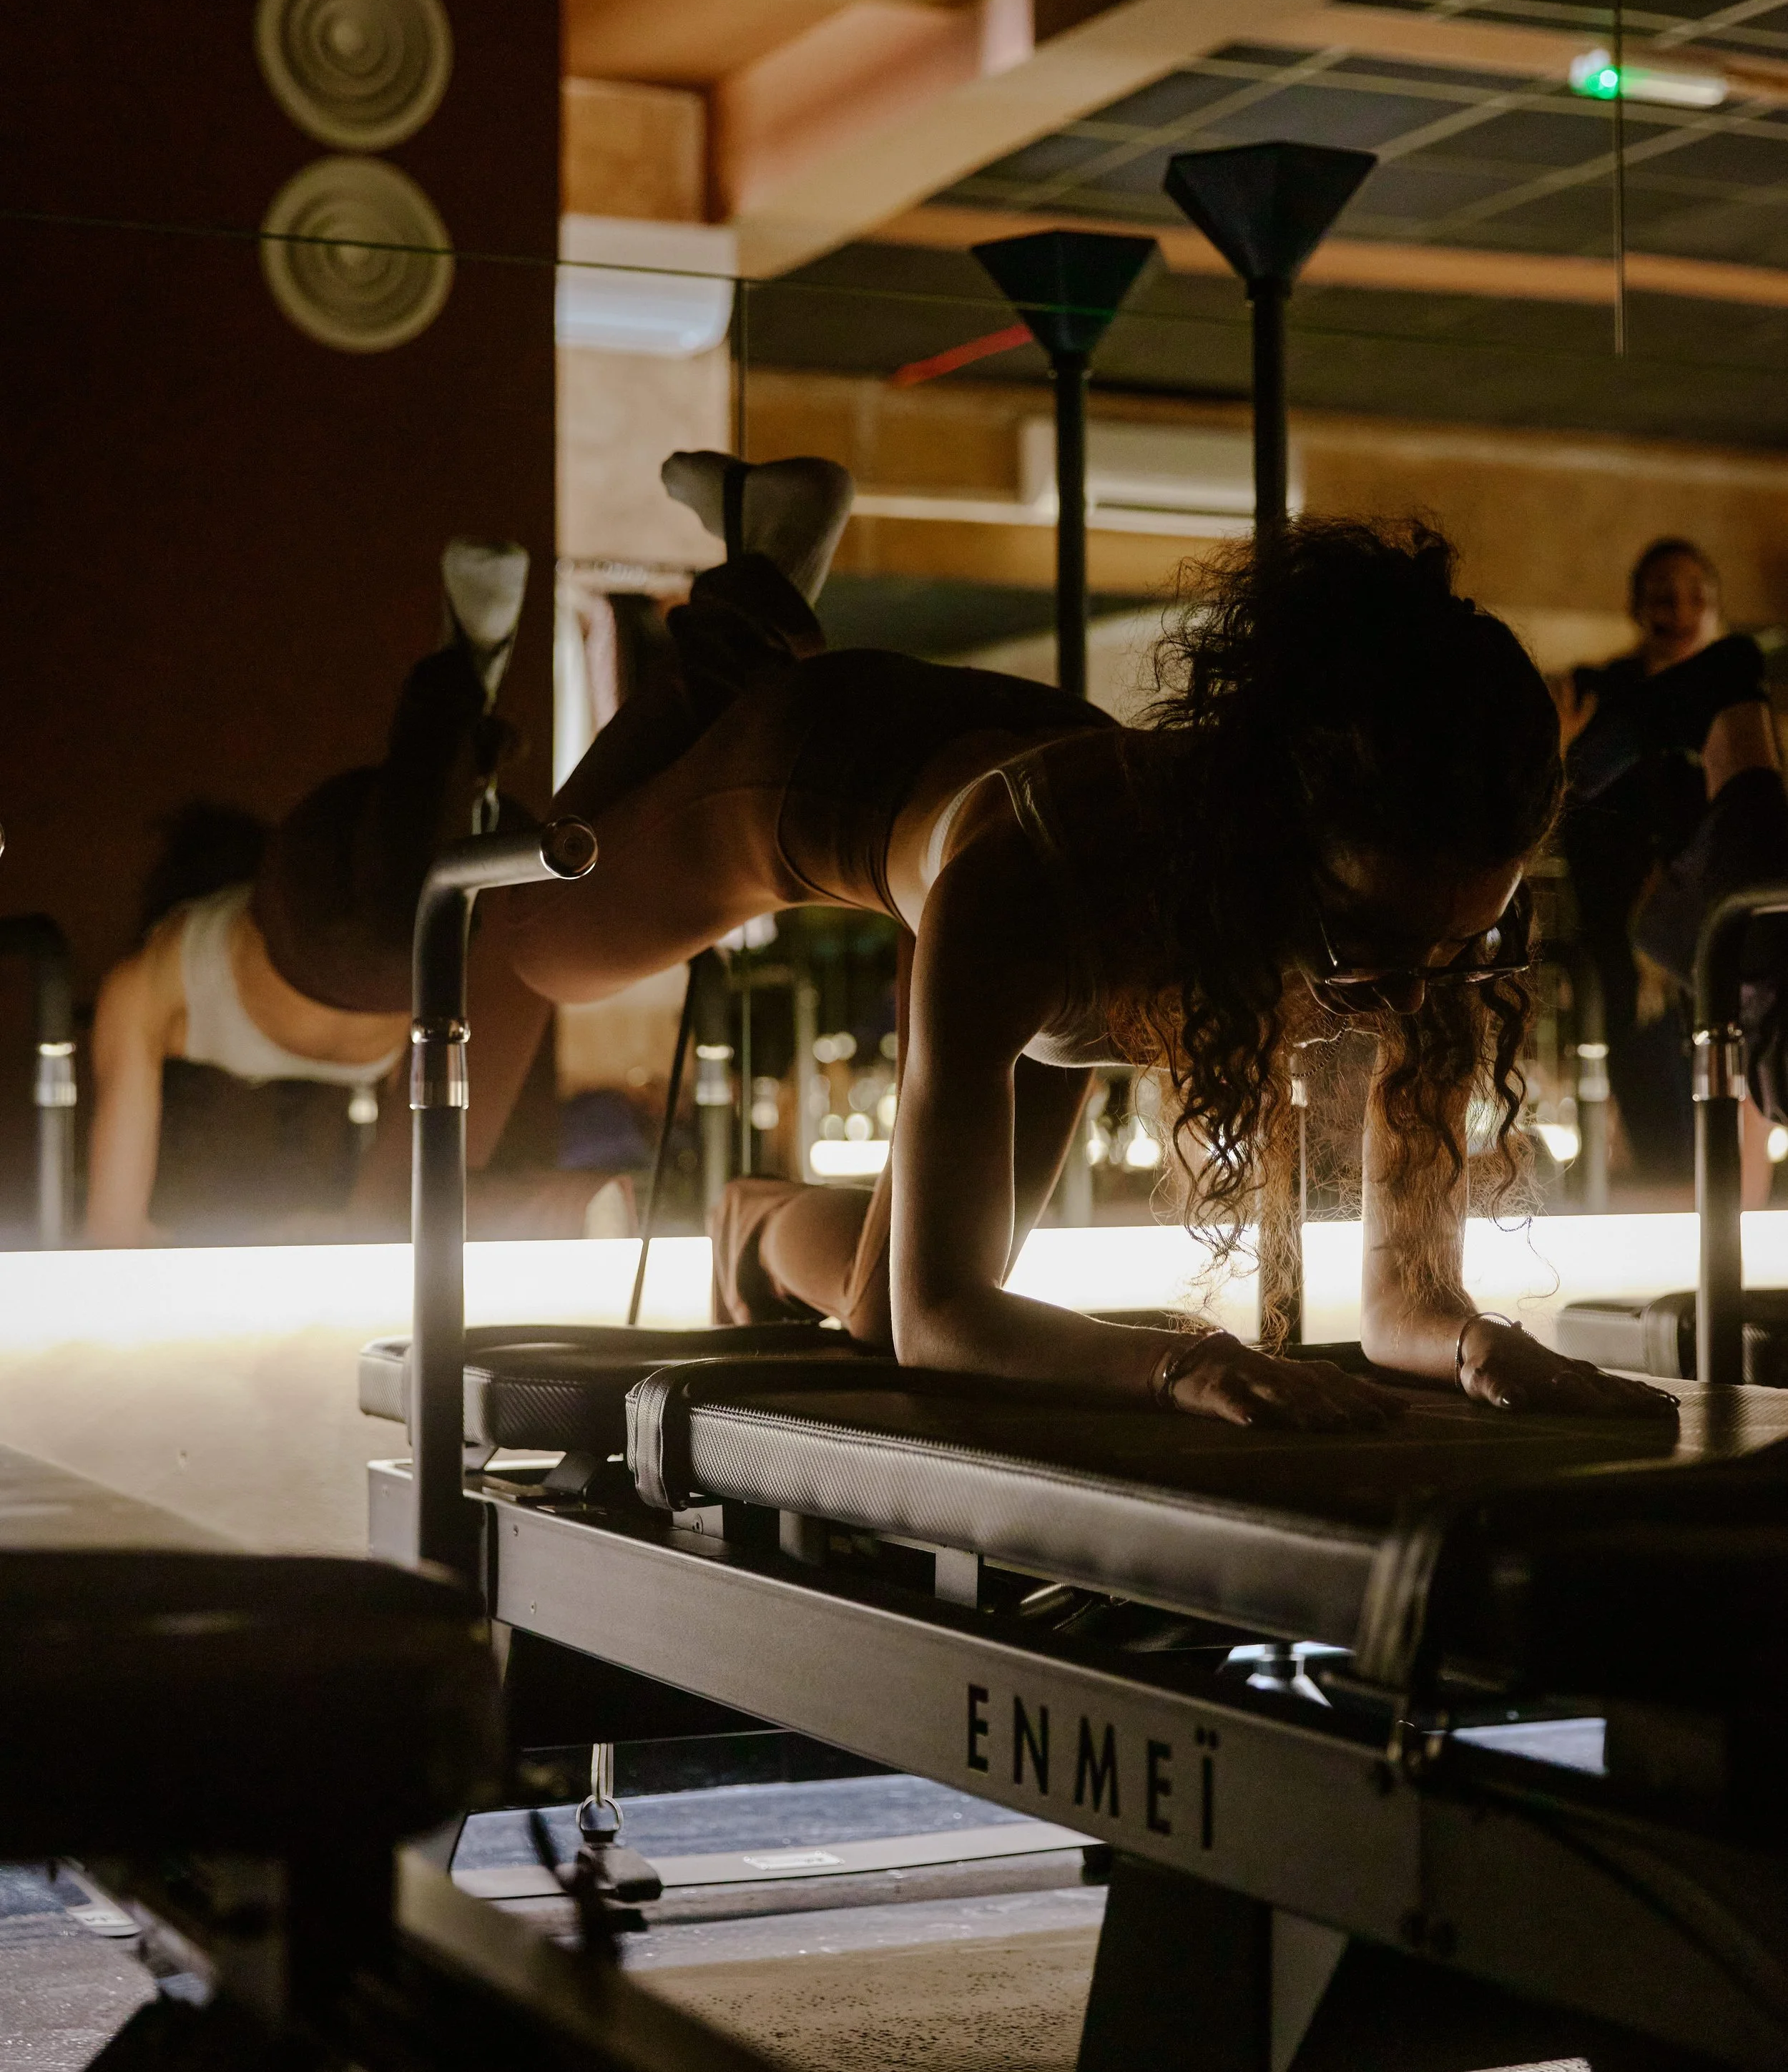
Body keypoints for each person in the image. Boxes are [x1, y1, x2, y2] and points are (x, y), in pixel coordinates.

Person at [488, 454, 1672, 1429]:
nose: (1405, 998)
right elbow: (949, 1319)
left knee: (872, 1332)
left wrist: (1480, 1341)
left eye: (1461, 944)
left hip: (1037, 832)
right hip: (816, 769)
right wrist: (1182, 1363)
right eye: (1369, 943)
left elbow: (1403, 1304)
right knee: (541, 938)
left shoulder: (1428, 909)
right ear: (1270, 840)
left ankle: (750, 1221)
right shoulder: (1036, 891)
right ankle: (741, 618)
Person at [86, 541, 529, 1246]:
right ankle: (462, 717)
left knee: (389, 902)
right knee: (430, 884)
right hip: (392, 946)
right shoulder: (147, 994)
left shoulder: (149, 983)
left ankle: (459, 687)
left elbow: (110, 1233)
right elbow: (117, 1235)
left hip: (313, 904)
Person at [1558, 539, 1772, 1184]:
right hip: (1632, 954)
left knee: (1738, 1115)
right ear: (1636, 607)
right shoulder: (1602, 699)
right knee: (1661, 1120)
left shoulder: (1737, 701)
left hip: (1723, 933)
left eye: (1697, 597)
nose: (1680, 612)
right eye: (1662, 598)